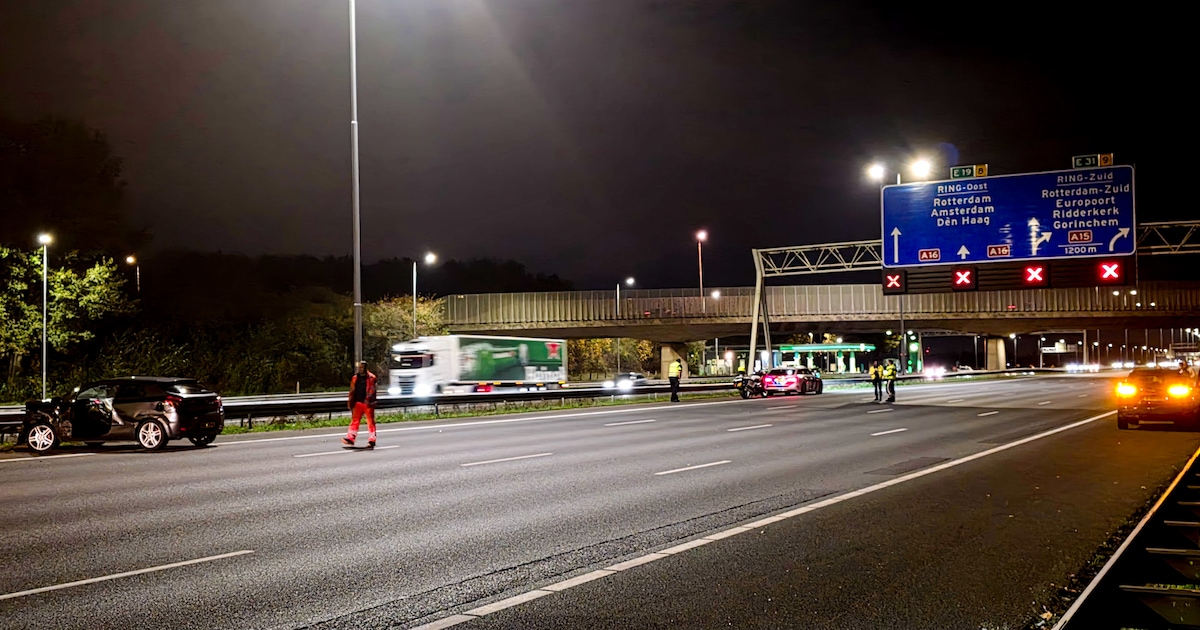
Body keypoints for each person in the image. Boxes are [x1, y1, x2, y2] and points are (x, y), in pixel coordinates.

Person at [343, 361, 378, 448]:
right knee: (355, 420)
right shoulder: (355, 378)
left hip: (368, 403)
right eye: (359, 367)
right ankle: (351, 438)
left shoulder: (371, 377)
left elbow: (372, 390)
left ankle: (372, 440)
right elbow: (352, 391)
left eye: (362, 367)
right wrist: (350, 401)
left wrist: (368, 400)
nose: (360, 369)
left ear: (366, 368)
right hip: (358, 402)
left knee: (370, 422)